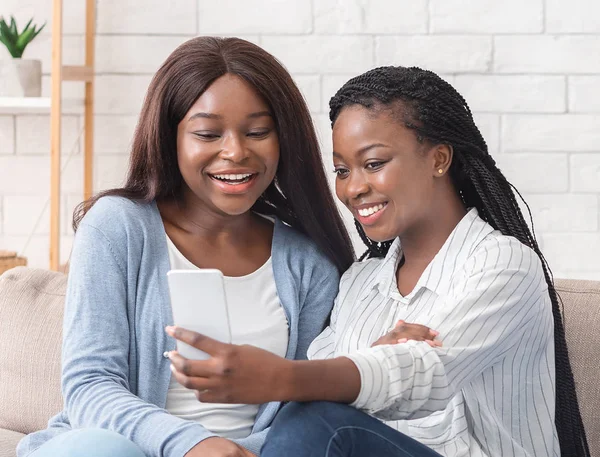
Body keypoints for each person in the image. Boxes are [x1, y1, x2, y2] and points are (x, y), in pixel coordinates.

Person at [166, 66, 590, 457]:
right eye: (342, 171)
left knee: (321, 424)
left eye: (373, 164)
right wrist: (366, 364)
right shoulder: (360, 281)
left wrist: (286, 376)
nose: (354, 188)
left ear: (438, 159)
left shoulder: (504, 265)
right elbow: (325, 385)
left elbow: (429, 375)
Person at [16, 36, 362, 457]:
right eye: (207, 133)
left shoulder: (309, 262)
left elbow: (304, 404)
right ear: (171, 137)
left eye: (257, 131)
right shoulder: (117, 228)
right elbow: (89, 386)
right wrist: (193, 444)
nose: (235, 151)